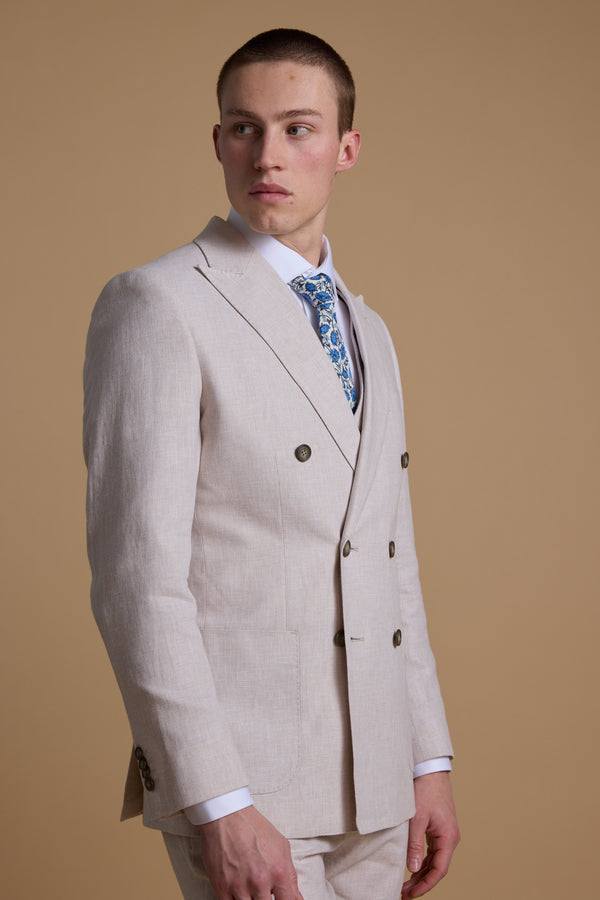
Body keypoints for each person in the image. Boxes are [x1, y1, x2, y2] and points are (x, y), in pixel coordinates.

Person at [83, 28, 459, 900]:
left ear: (346, 148)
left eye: (297, 128)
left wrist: (426, 759)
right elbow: (138, 581)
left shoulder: (369, 330)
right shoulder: (158, 303)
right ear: (217, 141)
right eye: (244, 128)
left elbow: (390, 561)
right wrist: (217, 803)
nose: (268, 155)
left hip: (378, 783)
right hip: (250, 785)